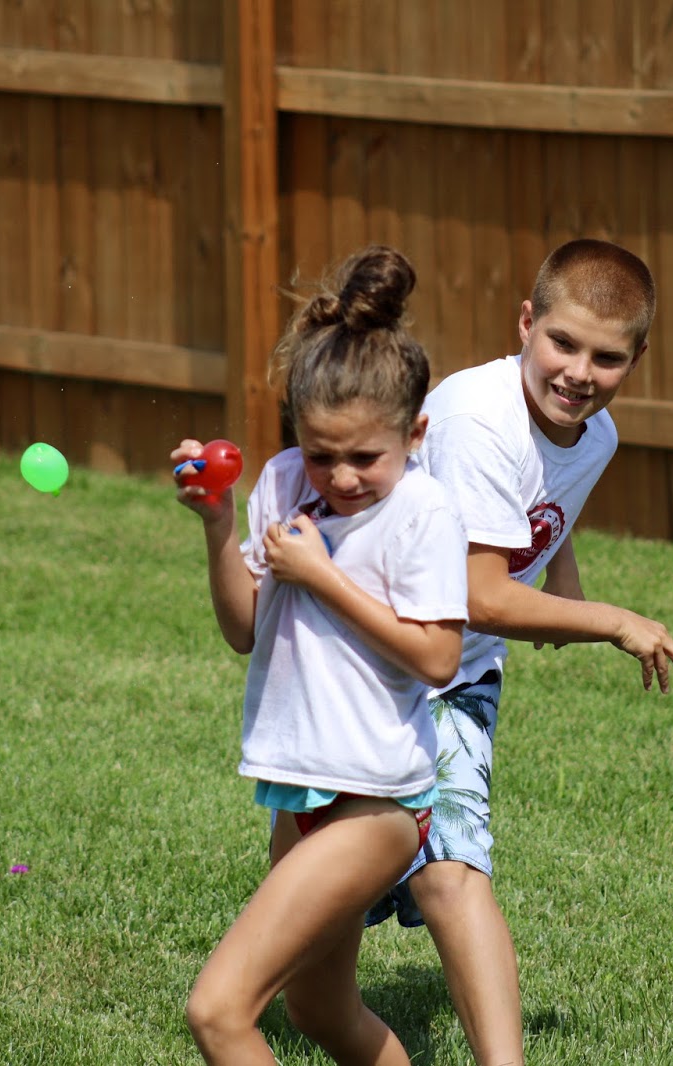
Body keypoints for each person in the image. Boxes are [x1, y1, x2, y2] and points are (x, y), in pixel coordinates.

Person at [366, 238, 673, 1065]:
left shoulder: (595, 436)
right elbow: (480, 595)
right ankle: (259, 1003)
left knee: (450, 866)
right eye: (563, 343)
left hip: (458, 679)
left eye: (608, 356)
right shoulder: (481, 421)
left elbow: (547, 520)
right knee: (336, 882)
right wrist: (613, 621)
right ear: (526, 323)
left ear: (637, 357)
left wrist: (568, 596)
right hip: (377, 667)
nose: (580, 372)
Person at [173, 245, 469, 1066]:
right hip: (298, 788)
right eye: (319, 452)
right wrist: (220, 525)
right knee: (319, 1008)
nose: (339, 476)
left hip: (375, 803)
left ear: (415, 432)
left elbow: (439, 659)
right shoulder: (278, 483)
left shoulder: (423, 514)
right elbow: (244, 630)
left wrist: (322, 576)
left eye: (364, 457)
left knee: (219, 1011)